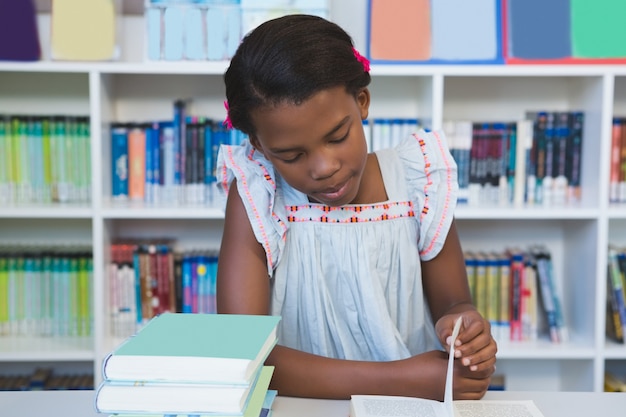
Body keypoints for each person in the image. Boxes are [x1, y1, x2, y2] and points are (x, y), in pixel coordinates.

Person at [215, 14, 497, 401]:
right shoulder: (257, 197)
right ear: (260, 147)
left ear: (362, 102)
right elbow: (243, 353)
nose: (324, 167)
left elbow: (455, 303)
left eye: (337, 136)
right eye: (291, 155)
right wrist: (407, 380)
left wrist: (464, 329)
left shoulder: (419, 182)